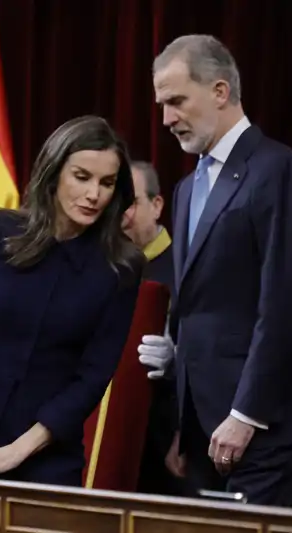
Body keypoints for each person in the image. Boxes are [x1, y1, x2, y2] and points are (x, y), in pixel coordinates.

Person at [139, 34, 292, 506]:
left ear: (220, 91)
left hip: (259, 429)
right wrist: (179, 386)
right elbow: (199, 303)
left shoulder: (276, 169)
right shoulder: (184, 189)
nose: (167, 119)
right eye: (162, 105)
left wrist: (247, 413)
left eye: (176, 101)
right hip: (202, 429)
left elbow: (284, 305)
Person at [0, 115, 144, 486]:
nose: (94, 194)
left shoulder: (120, 268)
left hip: (46, 459)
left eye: (106, 183)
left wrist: (15, 452)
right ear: (54, 172)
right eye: (82, 177)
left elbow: (91, 379)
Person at [121, 161, 185, 495]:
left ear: (157, 205)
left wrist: (176, 361)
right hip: (113, 436)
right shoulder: (104, 265)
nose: (121, 214)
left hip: (166, 446)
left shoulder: (186, 268)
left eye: (130, 202)